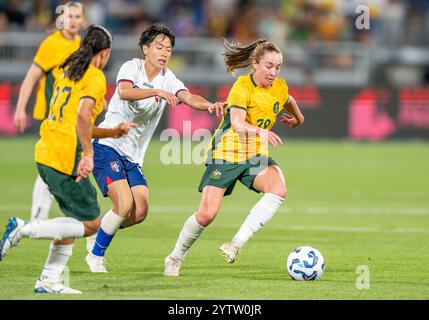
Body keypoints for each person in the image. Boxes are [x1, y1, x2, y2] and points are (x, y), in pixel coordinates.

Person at [0, 25, 134, 294]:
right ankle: (23, 229)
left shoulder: (69, 70)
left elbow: (79, 122)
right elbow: (83, 117)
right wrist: (88, 153)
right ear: (105, 53)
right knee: (91, 223)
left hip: (46, 151)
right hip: (64, 157)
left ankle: (48, 280)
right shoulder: (94, 77)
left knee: (74, 218)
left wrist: (111, 131)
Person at [84, 23, 225, 273]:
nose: (164, 52)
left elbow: (188, 97)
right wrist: (156, 91)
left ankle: (97, 232)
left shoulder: (168, 78)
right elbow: (124, 92)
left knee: (139, 212)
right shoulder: (131, 67)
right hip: (108, 146)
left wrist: (210, 105)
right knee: (124, 204)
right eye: (159, 47)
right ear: (146, 49)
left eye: (169, 49)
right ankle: (96, 256)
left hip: (133, 157)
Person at [164, 38, 305, 276]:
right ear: (255, 64)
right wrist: (261, 130)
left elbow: (288, 100)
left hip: (254, 155)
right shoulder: (242, 86)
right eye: (269, 66)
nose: (274, 72)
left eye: (278, 67)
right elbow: (238, 124)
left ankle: (235, 244)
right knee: (207, 214)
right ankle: (175, 256)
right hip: (227, 153)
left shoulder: (279, 87)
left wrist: (298, 119)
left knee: (278, 189)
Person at [13, 1, 84, 221]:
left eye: (77, 16)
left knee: (67, 164)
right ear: (61, 19)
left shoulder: (82, 45)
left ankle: (56, 215)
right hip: (51, 116)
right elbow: (31, 77)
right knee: (50, 162)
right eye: (68, 16)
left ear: (83, 20)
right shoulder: (51, 44)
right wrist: (20, 108)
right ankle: (38, 216)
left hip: (71, 119)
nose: (72, 20)